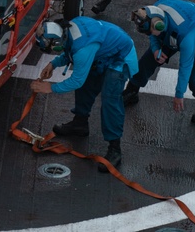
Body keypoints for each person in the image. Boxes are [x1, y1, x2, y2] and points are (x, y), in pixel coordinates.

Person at [30, 17, 138, 169]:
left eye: (51, 50)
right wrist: (53, 64)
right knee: (86, 86)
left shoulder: (83, 48)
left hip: (120, 58)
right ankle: (80, 124)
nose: (52, 52)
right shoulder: (68, 29)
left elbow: (76, 80)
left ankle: (115, 148)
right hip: (103, 53)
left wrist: (50, 88)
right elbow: (69, 50)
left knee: (110, 100)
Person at [123, 0, 195, 124]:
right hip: (177, 28)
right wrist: (156, 49)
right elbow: (153, 34)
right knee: (148, 60)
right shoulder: (154, 12)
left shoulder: (185, 34)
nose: (149, 35)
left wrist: (179, 94)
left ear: (160, 25)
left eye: (150, 32)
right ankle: (131, 91)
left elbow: (186, 65)